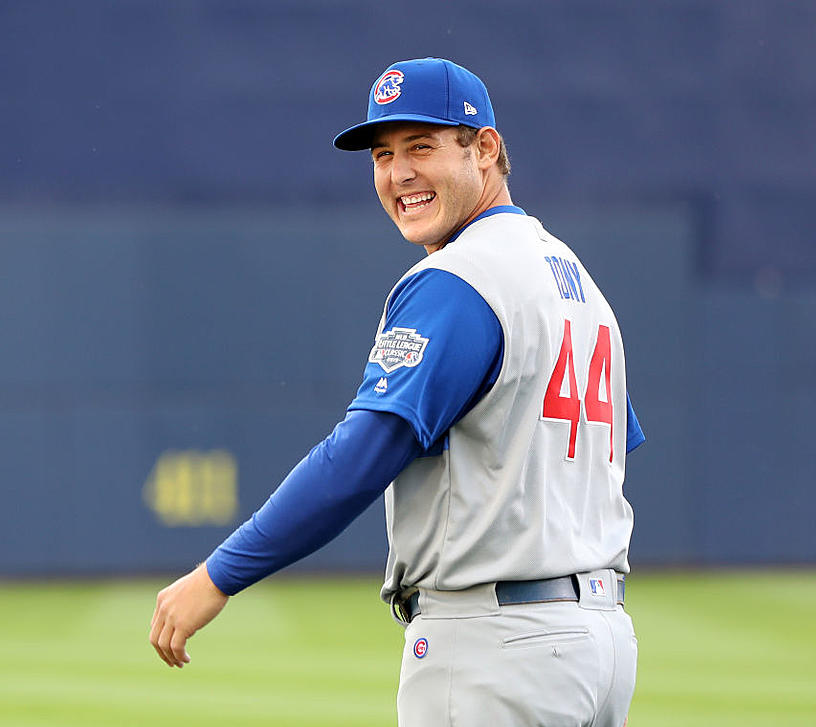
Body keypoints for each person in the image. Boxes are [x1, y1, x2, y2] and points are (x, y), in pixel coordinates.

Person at [149, 57, 645, 726]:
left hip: (496, 649)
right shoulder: (576, 280)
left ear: (485, 148)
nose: (398, 173)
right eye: (382, 155)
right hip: (599, 639)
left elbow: (360, 454)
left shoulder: (461, 277)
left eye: (422, 146)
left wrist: (217, 575)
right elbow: (609, 448)